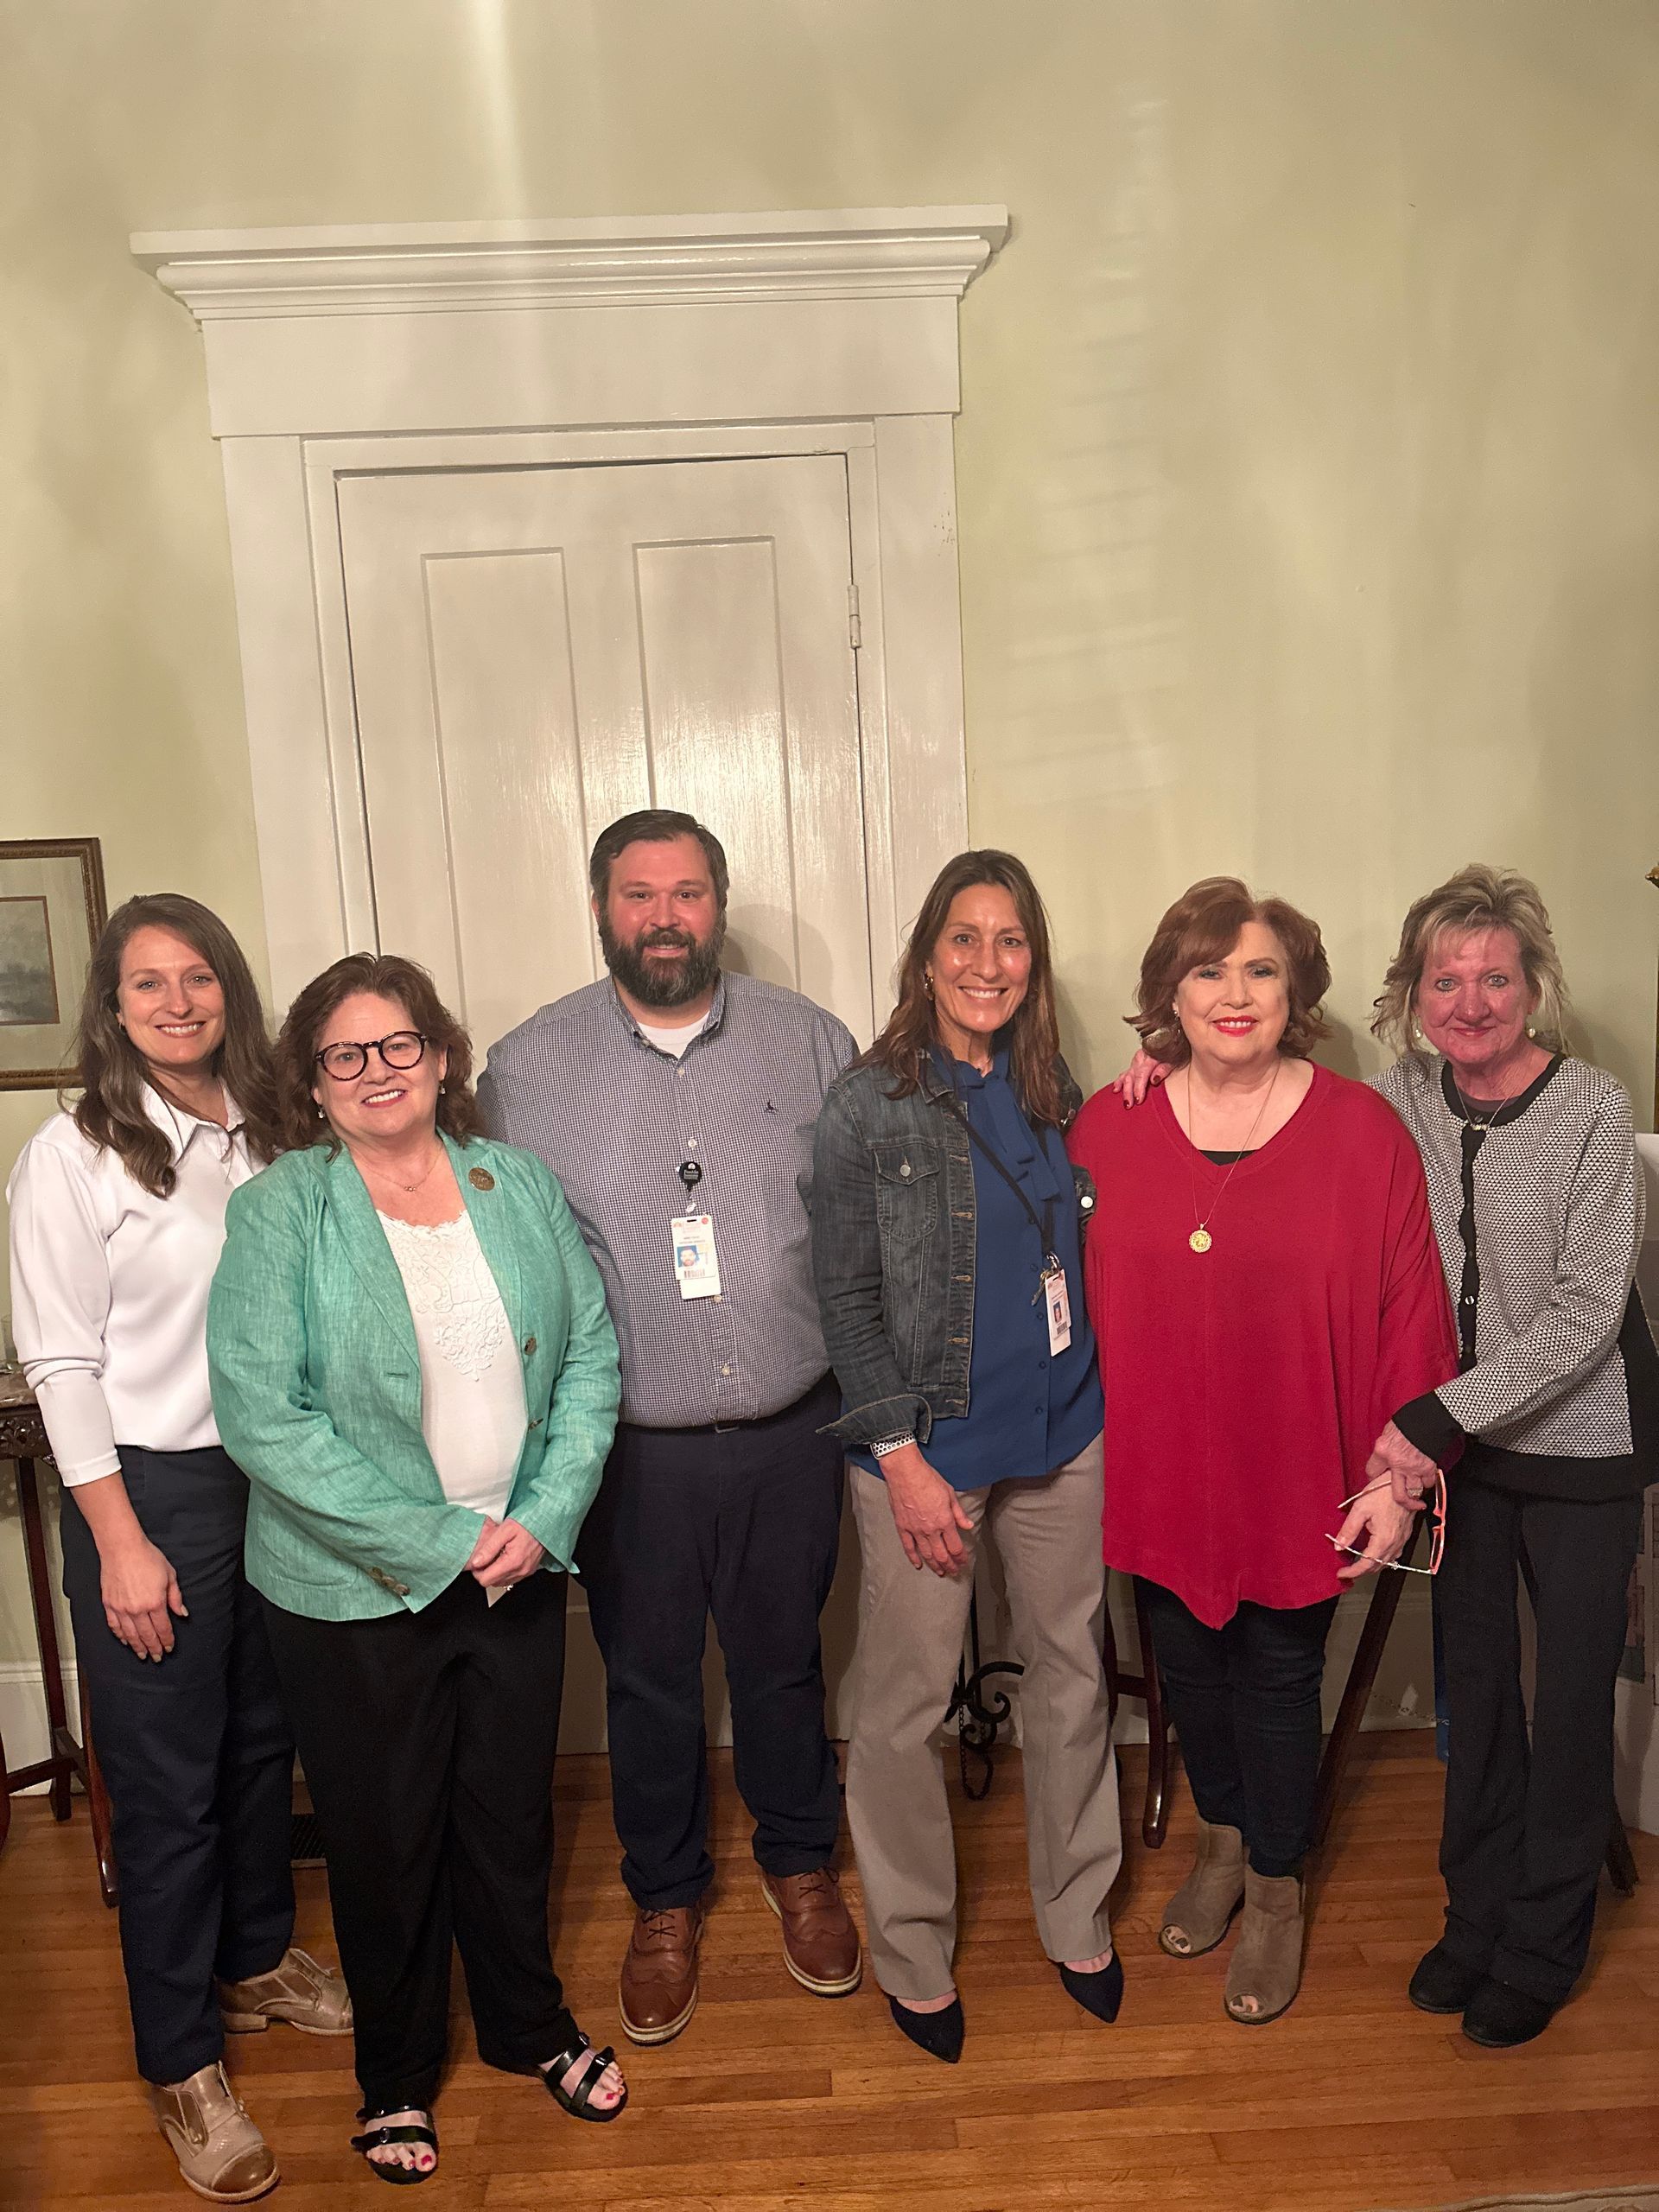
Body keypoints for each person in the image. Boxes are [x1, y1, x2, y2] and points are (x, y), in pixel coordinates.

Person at [207, 953, 624, 2185]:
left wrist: (541, 1520)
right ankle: (393, 2076)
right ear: (315, 1085)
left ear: (441, 1058)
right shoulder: (283, 1209)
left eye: (399, 1046)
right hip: (352, 1595)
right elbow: (263, 1418)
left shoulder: (519, 1183)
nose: (378, 1071)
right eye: (347, 1054)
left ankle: (526, 2026)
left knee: (508, 1818)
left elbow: (591, 1360)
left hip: (520, 1567)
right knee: (384, 1837)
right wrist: (445, 1544)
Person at [476, 808, 862, 2046]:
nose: (663, 917)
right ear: (602, 909)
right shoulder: (524, 1069)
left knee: (783, 1659)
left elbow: (857, 1229)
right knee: (646, 1679)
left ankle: (801, 1863)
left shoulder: (813, 1045)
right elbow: (507, 1260)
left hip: (789, 1427)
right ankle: (665, 1898)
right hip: (628, 1446)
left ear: (719, 905)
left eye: (686, 893)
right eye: (637, 895)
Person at [7, 893, 350, 2206]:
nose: (176, 1002)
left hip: (276, 1479)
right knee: (166, 1788)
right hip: (148, 1495)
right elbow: (61, 1360)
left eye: (197, 977)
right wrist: (121, 1543)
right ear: (112, 1005)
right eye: (147, 984)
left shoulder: (269, 1130)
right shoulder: (77, 1155)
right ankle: (181, 2060)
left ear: (230, 992)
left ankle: (258, 1957)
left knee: (264, 1744)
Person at [1069, 876, 1457, 2025]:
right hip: (1158, 1477)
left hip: (1303, 1477)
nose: (1233, 994)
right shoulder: (1110, 1123)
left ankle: (1279, 1890)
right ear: (1169, 997)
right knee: (1192, 1678)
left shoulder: (1360, 1132)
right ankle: (1224, 1844)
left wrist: (1399, 1483)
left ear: (1297, 994)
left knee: (1282, 1687)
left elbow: (1411, 1311)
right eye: (1206, 971)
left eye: (1259, 972)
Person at [810, 850, 1122, 2063]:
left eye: (1010, 940)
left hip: (1064, 1435)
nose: (986, 963)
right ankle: (912, 1946)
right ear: (926, 954)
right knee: (902, 1707)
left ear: (1031, 962)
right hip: (927, 1453)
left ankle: (1075, 1910)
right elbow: (841, 1300)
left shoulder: (1060, 1090)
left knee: (1071, 1677)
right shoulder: (866, 1103)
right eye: (963, 937)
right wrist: (899, 1457)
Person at [1362, 866, 1659, 2047]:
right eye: (1448, 978)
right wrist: (1156, 1076)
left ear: (1532, 987)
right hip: (1463, 1466)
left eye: (1495, 976)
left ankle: (1544, 1940)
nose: (1471, 1000)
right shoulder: (1395, 1102)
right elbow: (1275, 1116)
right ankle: (1473, 1915)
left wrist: (1435, 1417)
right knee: (1474, 1698)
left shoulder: (1591, 1105)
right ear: (1414, 993)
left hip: (1581, 1452)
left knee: (1570, 1696)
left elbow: (1590, 1312)